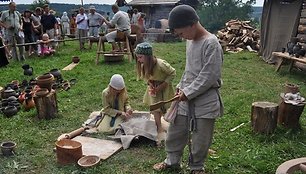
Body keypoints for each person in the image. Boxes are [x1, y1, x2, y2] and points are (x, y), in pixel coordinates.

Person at [153, 5, 224, 174]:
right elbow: (189, 69)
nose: (181, 37)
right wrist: (181, 86)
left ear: (192, 24)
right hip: (185, 95)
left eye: (181, 33)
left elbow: (209, 76)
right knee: (175, 131)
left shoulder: (211, 43)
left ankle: (197, 167)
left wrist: (189, 92)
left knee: (201, 137)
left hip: (205, 99)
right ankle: (172, 161)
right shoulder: (190, 41)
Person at [135, 42, 176, 143]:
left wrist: (163, 85)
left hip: (164, 89)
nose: (139, 60)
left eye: (140, 57)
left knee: (166, 107)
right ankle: (159, 127)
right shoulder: (144, 65)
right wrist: (150, 83)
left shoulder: (161, 64)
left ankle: (174, 127)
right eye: (138, 58)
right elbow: (147, 77)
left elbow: (173, 73)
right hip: (154, 89)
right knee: (155, 108)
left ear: (148, 57)